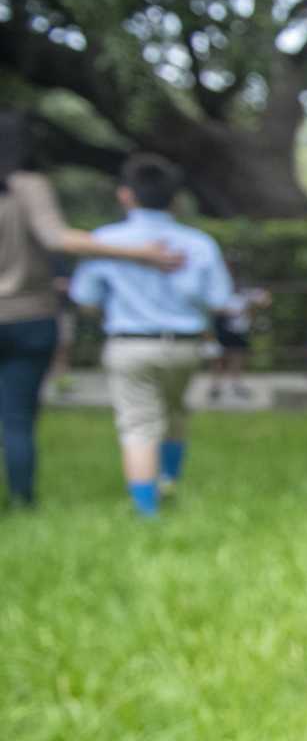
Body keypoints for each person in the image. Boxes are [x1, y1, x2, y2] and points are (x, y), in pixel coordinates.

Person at [0, 115, 182, 509]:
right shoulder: (27, 186)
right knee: (16, 418)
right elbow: (56, 238)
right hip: (29, 317)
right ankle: (20, 501)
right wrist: (141, 254)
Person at [68, 155, 239, 516]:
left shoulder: (106, 241)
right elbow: (221, 299)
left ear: (126, 195)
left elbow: (84, 296)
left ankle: (147, 512)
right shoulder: (199, 243)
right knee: (175, 414)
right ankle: (168, 483)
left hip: (130, 345)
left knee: (139, 425)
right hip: (185, 346)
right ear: (176, 199)